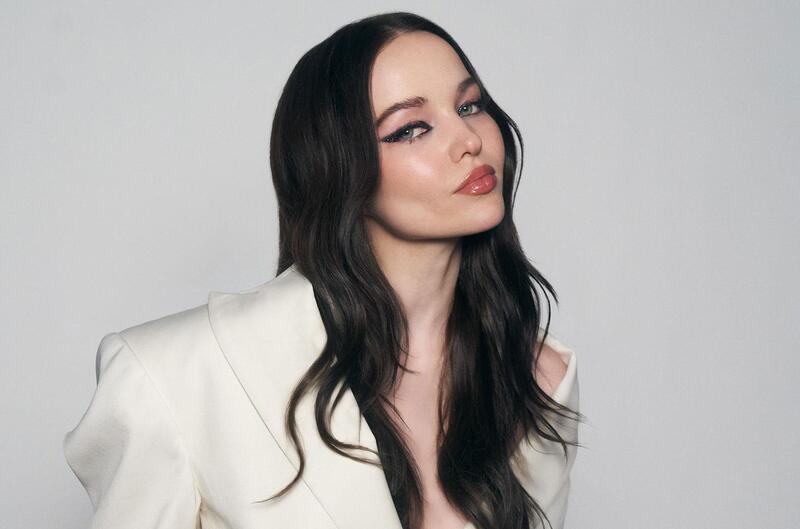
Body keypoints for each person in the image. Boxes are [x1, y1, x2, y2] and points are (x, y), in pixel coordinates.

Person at [63, 11, 584, 529]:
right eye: (411, 129)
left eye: (469, 105)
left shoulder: (537, 379)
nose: (469, 139)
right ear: (337, 168)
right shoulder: (176, 377)